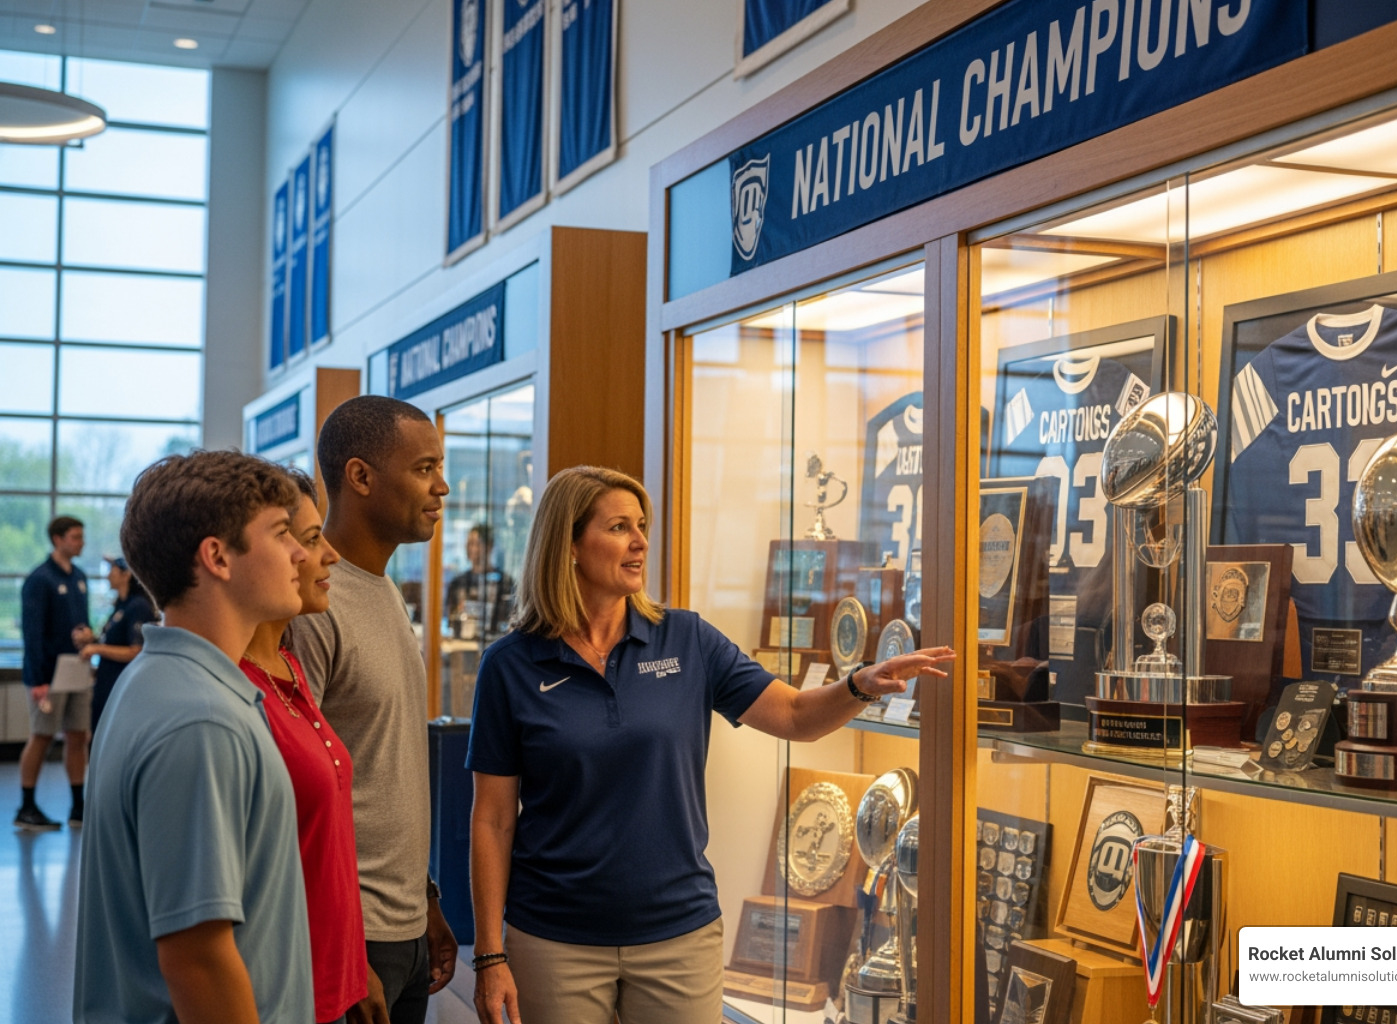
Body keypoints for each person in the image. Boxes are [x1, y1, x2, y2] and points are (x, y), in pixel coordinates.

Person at [466, 466, 954, 1024]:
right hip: (555, 939)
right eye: (620, 527)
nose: (640, 541)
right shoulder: (509, 666)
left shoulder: (687, 639)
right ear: (570, 545)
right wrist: (488, 954)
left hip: (679, 935)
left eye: (642, 525)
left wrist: (857, 685)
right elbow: (493, 820)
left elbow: (795, 716)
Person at [74, 450, 312, 1024]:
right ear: (217, 557)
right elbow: (197, 958)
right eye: (282, 533)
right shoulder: (201, 720)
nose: (301, 551)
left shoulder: (161, 682)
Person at [288, 395, 458, 1024]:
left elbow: (384, 767)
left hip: (402, 923)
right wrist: (339, 947)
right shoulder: (313, 610)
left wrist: (426, 898)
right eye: (423, 468)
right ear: (360, 477)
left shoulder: (384, 589)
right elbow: (297, 796)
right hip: (351, 936)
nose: (441, 487)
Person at [239, 470, 368, 1024]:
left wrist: (356, 969)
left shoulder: (289, 663)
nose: (325, 556)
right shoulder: (230, 693)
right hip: (278, 993)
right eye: (310, 539)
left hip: (331, 978)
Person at [16, 515, 92, 830]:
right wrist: (37, 679)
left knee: (78, 736)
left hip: (76, 669)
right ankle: (27, 806)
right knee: (42, 736)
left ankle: (78, 805)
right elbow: (31, 634)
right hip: (48, 672)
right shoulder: (40, 580)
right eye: (75, 537)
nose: (81, 542)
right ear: (58, 539)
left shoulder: (80, 577)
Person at [81, 557, 156, 735]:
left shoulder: (138, 607)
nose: (107, 576)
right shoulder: (120, 606)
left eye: (112, 571)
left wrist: (97, 649)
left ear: (126, 575)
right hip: (107, 683)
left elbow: (136, 651)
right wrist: (92, 641)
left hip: (123, 687)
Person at [446, 523, 514, 640]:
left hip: (494, 643)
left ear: (489, 546)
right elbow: (450, 619)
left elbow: (510, 620)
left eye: (477, 544)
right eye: (469, 544)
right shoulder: (458, 583)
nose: (472, 549)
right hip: (463, 645)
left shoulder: (505, 582)